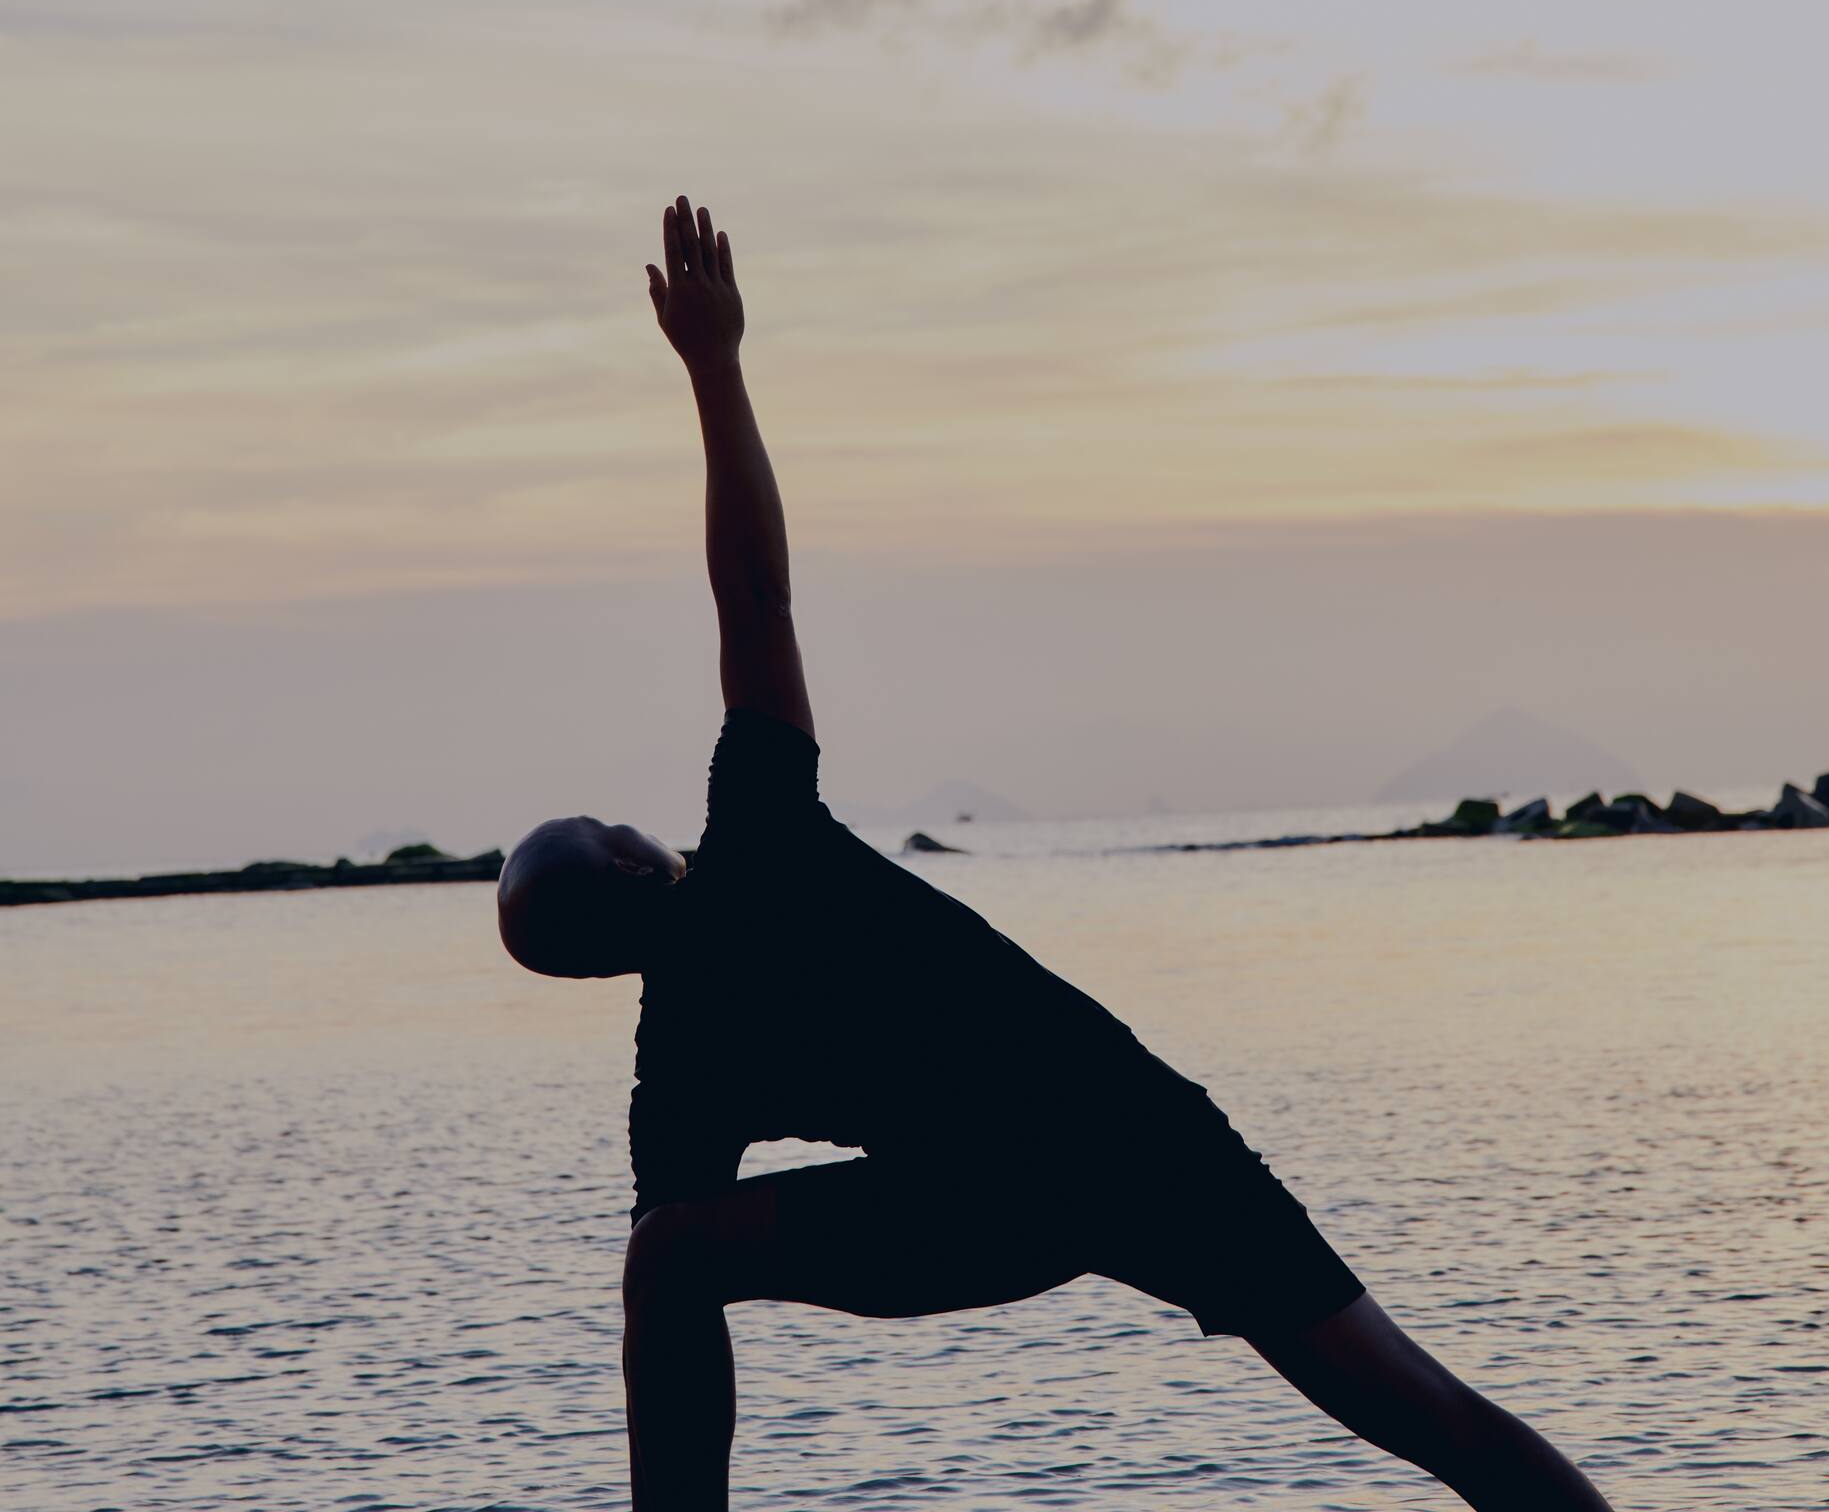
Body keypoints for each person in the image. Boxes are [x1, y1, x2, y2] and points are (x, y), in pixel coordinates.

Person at [496, 197, 1616, 1512]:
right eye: (604, 831)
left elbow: (669, 1311)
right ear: (630, 868)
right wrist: (717, 366)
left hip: (1029, 1186)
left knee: (665, 1257)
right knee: (1430, 1413)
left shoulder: (675, 1073)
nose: (624, 825)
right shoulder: (760, 836)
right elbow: (755, 594)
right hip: (1128, 1142)